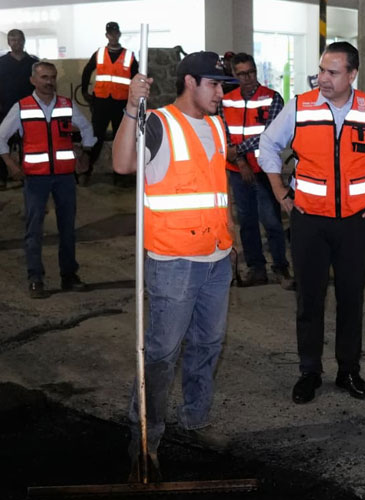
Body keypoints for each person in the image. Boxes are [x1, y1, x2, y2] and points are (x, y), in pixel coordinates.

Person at [112, 51, 236, 480]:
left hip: (217, 258)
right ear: (189, 82)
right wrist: (132, 106)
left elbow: (218, 189)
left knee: (208, 344)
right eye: (214, 85)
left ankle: (196, 417)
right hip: (174, 264)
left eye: (222, 86)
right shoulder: (158, 123)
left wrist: (231, 238)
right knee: (162, 355)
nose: (221, 94)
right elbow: (122, 164)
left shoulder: (216, 126)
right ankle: (145, 440)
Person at [259, 41, 365, 404]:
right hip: (309, 220)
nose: (323, 78)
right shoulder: (300, 106)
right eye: (321, 70)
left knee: (351, 298)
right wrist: (280, 192)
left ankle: (348, 370)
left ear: (352, 75)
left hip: (356, 221)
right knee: (309, 299)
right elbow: (268, 145)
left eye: (333, 72)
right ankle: (309, 372)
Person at [0, 61, 96, 298]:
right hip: (35, 179)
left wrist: (85, 154)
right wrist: (11, 165)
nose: (49, 82)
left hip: (64, 177)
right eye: (44, 77)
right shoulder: (22, 107)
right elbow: (0, 137)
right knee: (34, 230)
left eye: (52, 77)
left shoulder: (66, 105)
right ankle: (35, 279)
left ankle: (69, 276)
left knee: (67, 229)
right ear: (33, 80)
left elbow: (87, 129)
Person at [221, 52, 294, 289]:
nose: (248, 78)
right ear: (234, 74)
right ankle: (257, 269)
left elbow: (269, 135)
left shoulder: (272, 99)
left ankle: (281, 267)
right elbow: (224, 133)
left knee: (271, 221)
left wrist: (237, 150)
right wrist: (241, 162)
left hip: (265, 170)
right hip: (237, 170)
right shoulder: (226, 100)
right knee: (247, 221)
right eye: (242, 74)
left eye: (251, 72)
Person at [81, 21, 138, 186]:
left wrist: (134, 99)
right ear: (107, 35)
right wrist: (84, 91)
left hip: (121, 103)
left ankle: (120, 175)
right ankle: (87, 171)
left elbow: (136, 76)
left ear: (119, 34)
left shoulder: (129, 55)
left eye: (115, 33)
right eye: (110, 33)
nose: (113, 36)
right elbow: (87, 71)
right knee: (96, 137)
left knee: (121, 139)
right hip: (101, 102)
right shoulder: (99, 53)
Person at [0, 29, 39, 190]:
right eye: (13, 40)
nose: (16, 43)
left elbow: (39, 86)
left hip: (29, 108)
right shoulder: (2, 62)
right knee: (3, 141)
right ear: (9, 42)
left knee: (29, 143)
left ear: (24, 41)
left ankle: (28, 176)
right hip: (5, 108)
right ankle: (2, 177)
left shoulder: (33, 63)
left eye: (19, 39)